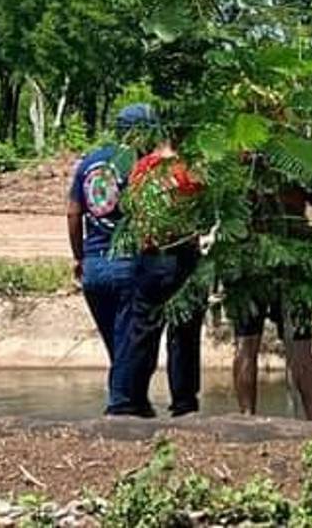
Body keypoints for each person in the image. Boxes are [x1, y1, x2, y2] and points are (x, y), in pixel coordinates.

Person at [66, 104, 156, 414]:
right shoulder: (142, 166)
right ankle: (119, 411)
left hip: (94, 266)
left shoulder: (88, 162)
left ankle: (138, 405)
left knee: (119, 348)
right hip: (128, 265)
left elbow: (73, 212)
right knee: (129, 346)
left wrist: (79, 256)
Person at [107, 140, 206, 418]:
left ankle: (130, 399)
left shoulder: (142, 168)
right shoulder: (189, 168)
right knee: (184, 332)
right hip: (181, 254)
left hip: (149, 256)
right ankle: (184, 402)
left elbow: (131, 211)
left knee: (143, 331)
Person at [230, 180, 312, 421]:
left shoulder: (243, 158)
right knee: (292, 344)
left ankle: (250, 416)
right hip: (268, 258)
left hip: (264, 258)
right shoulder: (293, 163)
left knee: (252, 342)